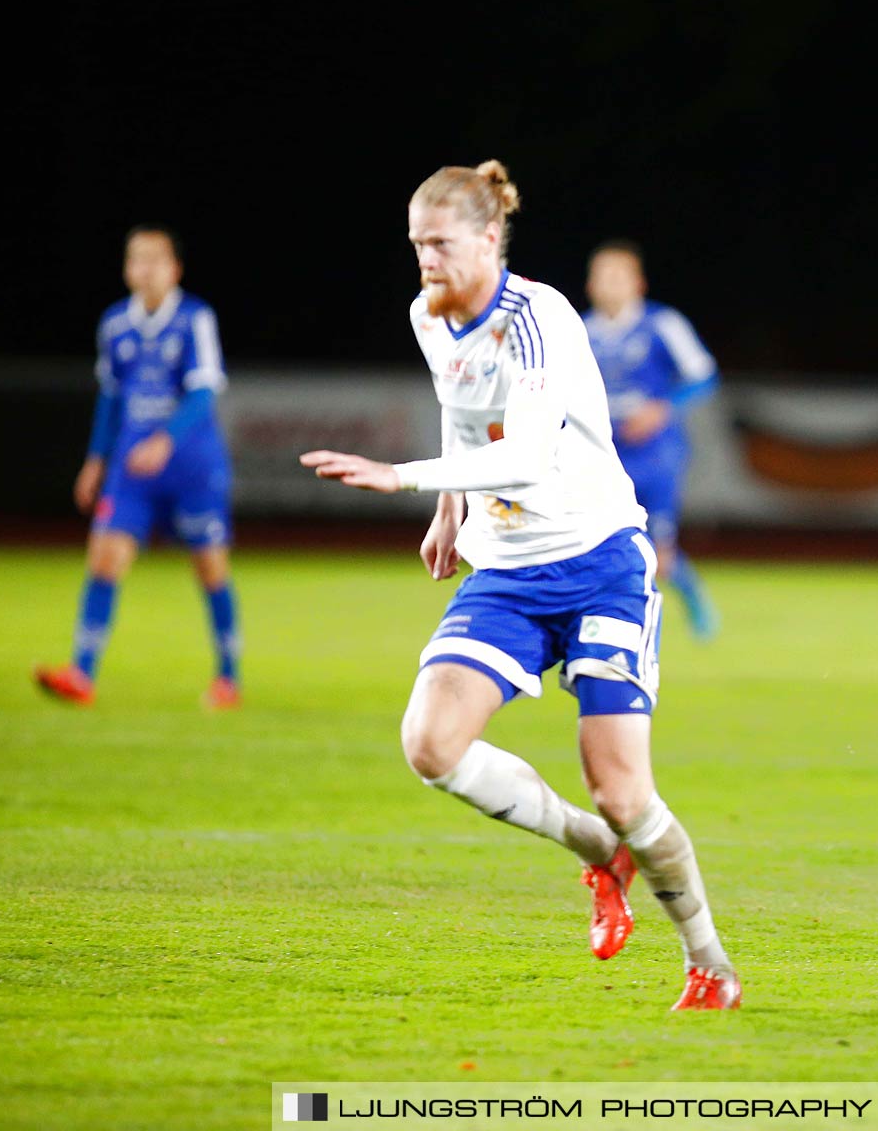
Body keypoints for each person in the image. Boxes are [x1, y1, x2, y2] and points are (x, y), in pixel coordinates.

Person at [300, 161, 739, 1010]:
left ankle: (710, 961)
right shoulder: (429, 315)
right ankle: (594, 853)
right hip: (505, 568)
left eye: (441, 242)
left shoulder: (538, 318)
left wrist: (404, 481)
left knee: (621, 788)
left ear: (489, 237)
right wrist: (450, 509)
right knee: (429, 743)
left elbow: (530, 455)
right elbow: (463, 414)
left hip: (599, 561)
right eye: (416, 244)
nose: (426, 259)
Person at [35, 225, 240, 709]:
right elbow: (111, 397)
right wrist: (94, 461)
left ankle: (227, 677)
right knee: (103, 560)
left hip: (191, 465)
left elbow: (205, 388)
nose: (144, 269)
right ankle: (81, 674)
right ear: (127, 268)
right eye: (136, 259)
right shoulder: (114, 325)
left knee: (211, 569)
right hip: (132, 466)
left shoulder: (194, 319)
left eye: (155, 259)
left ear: (175, 269)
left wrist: (166, 439)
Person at [583, 241, 720, 639]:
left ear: (637, 283)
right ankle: (609, 622)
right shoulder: (579, 329)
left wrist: (661, 408)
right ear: (591, 284)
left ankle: (692, 603)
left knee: (659, 552)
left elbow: (703, 375)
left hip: (656, 453)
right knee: (599, 540)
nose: (609, 284)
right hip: (603, 454)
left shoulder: (663, 324)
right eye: (601, 276)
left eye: (618, 276)